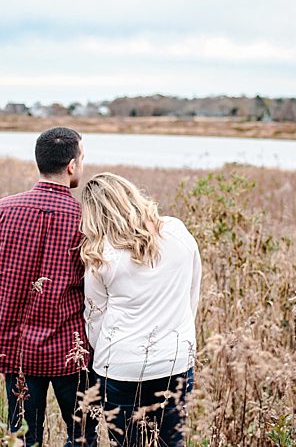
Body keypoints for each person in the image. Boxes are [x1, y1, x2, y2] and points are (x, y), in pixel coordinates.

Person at [0, 127, 97, 446]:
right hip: (71, 352)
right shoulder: (87, 220)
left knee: (25, 438)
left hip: (16, 351)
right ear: (71, 166)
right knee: (83, 437)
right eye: (82, 158)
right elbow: (99, 292)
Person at [79, 172, 201, 447]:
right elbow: (192, 292)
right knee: (172, 442)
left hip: (120, 367)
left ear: (95, 215)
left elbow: (94, 318)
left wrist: (110, 353)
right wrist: (178, 335)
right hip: (174, 359)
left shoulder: (100, 255)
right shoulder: (177, 232)